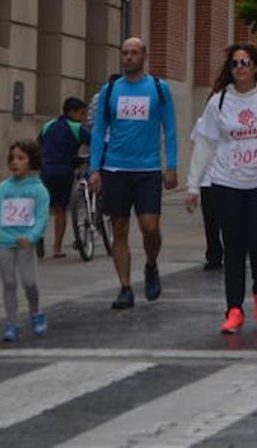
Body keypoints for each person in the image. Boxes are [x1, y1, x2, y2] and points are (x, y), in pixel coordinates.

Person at [184, 44, 257, 334]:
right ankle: (234, 309)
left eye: (245, 62)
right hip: (227, 182)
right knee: (233, 246)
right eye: (235, 63)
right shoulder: (219, 101)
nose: (240, 67)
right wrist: (193, 184)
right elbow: (205, 144)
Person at [89, 37, 178, 310]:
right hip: (115, 168)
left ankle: (151, 264)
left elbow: (170, 129)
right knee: (119, 227)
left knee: (150, 227)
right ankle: (125, 287)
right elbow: (98, 130)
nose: (128, 57)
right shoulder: (110, 90)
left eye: (134, 53)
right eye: (124, 53)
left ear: (144, 56)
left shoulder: (159, 89)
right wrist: (95, 168)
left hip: (148, 169)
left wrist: (172, 166)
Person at [0, 140, 50, 341]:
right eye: (12, 158)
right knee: (9, 282)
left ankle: (36, 311)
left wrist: (31, 237)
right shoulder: (2, 188)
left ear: (32, 161)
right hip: (3, 240)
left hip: (25, 242)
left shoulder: (39, 190)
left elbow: (41, 218)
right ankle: (11, 322)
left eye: (21, 158)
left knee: (29, 282)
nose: (15, 162)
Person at [38, 97, 91, 258]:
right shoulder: (77, 128)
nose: (83, 118)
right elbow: (95, 142)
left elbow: (39, 144)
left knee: (43, 208)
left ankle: (38, 239)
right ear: (72, 112)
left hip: (46, 170)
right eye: (82, 113)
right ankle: (57, 248)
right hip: (64, 170)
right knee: (60, 209)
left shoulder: (48, 125)